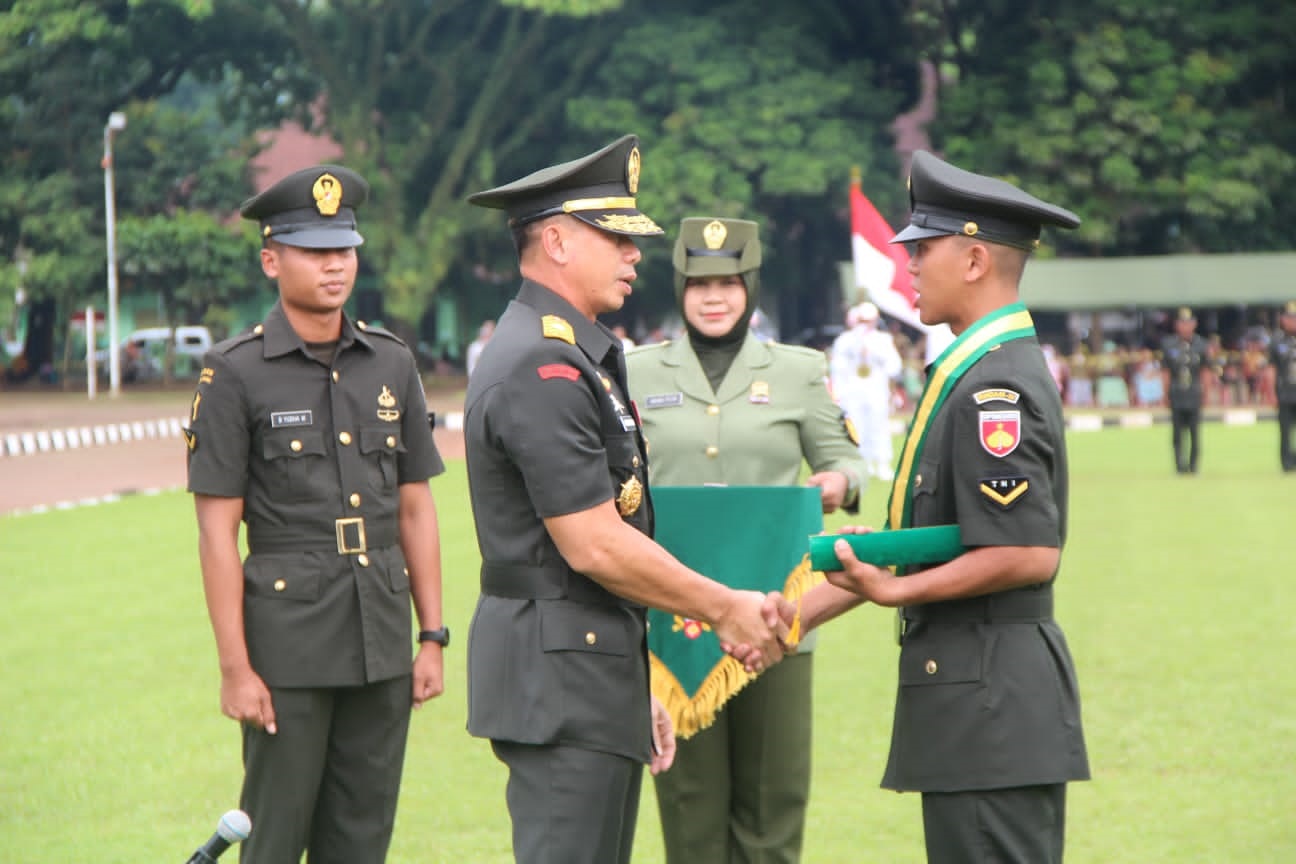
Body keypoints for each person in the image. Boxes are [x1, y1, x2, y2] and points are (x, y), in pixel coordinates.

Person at [462, 135, 785, 864]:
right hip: (560, 683)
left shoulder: (573, 351)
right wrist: (725, 605)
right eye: (615, 237)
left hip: (584, 675)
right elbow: (593, 543)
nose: (636, 254)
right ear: (555, 241)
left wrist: (628, 684)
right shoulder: (543, 361)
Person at [767, 150, 1089, 863]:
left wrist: (896, 588)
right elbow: (938, 537)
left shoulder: (992, 388)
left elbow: (1027, 551)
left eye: (922, 247)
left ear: (974, 260)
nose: (905, 262)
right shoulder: (975, 371)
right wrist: (788, 616)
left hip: (990, 709)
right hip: (979, 705)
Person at [185, 164, 448, 864]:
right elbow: (217, 532)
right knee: (273, 839)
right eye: (315, 251)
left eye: (345, 249)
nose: (336, 266)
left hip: (382, 639)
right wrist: (235, 668)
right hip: (287, 650)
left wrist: (433, 636)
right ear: (272, 259)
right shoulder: (234, 373)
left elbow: (416, 508)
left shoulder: (391, 363)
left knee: (363, 840)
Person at [626, 216, 867, 863]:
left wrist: (838, 482)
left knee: (771, 809)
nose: (714, 297)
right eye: (699, 283)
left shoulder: (798, 370)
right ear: (679, 288)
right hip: (673, 622)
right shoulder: (636, 370)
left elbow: (847, 458)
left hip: (776, 613)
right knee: (689, 811)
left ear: (751, 288)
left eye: (729, 283)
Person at [831, 300, 904, 481]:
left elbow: (894, 366)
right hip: (853, 390)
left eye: (869, 320)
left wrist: (874, 352)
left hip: (876, 390)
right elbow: (836, 367)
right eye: (862, 320)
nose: (865, 324)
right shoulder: (845, 340)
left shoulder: (882, 340)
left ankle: (882, 464)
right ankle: (863, 463)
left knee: (879, 426)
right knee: (856, 427)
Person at [1162, 307, 1208, 474]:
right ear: (1176, 325)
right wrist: (1165, 393)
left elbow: (1205, 372)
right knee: (1177, 434)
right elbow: (1166, 372)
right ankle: (1179, 466)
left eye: (1188, 322)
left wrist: (1206, 393)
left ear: (1194, 324)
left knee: (1195, 433)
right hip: (1176, 394)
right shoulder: (1169, 345)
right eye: (1182, 322)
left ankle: (1193, 465)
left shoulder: (1201, 345)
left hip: (1194, 393)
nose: (1185, 326)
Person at [1271, 300, 1296, 471]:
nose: (1291, 322)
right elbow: (1272, 369)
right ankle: (1286, 463)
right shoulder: (1277, 342)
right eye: (1289, 318)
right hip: (1285, 392)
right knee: (1285, 431)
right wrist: (1272, 393)